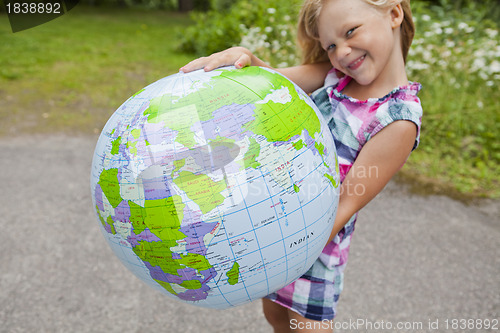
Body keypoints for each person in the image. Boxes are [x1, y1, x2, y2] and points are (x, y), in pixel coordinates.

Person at [181, 0, 423, 331]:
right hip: (274, 229)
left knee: (305, 327)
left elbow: (345, 205)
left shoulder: (397, 119)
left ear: (394, 14)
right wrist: (246, 60)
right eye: (331, 45)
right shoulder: (333, 76)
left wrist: (271, 246)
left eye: (350, 32)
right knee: (276, 316)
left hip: (312, 246)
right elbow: (268, 84)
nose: (342, 52)